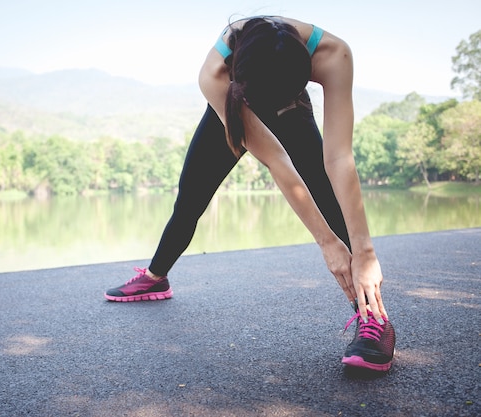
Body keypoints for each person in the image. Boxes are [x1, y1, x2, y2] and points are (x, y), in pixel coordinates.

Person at [104, 16, 395, 372]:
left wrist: (363, 251)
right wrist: (325, 243)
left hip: (290, 102)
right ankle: (155, 276)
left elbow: (339, 158)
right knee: (190, 199)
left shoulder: (335, 55)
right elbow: (276, 160)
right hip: (235, 99)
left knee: (325, 191)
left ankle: (374, 319)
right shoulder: (214, 73)